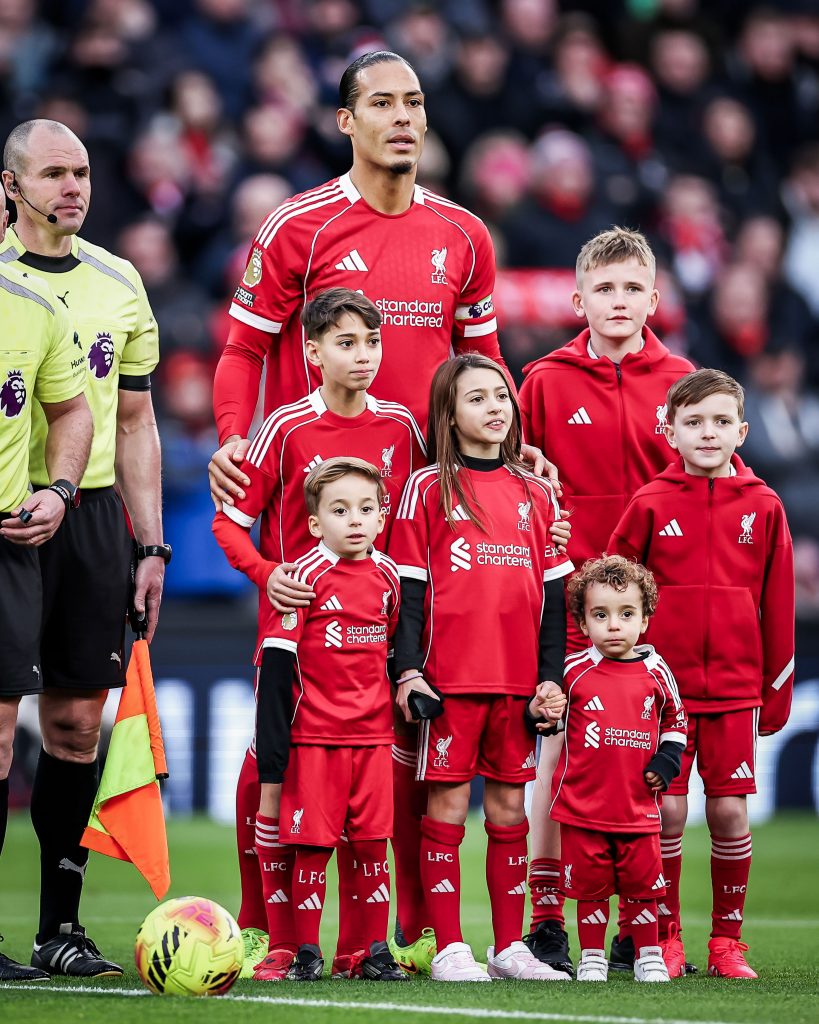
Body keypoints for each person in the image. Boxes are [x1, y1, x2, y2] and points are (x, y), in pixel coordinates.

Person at [208, 49, 560, 976]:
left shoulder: (465, 236)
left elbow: (483, 363)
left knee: (407, 730)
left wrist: (511, 441)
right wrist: (239, 441)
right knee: (286, 723)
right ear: (344, 121)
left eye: (414, 102)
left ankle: (399, 929)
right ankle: (261, 920)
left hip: (428, 512)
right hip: (313, 513)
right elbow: (240, 349)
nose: (403, 117)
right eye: (382, 103)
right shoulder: (301, 225)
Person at [212, 288, 426, 980]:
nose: (361, 357)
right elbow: (228, 522)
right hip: (296, 640)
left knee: (374, 807)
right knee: (265, 779)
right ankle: (265, 931)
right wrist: (267, 573)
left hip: (375, 641)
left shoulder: (401, 428)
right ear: (311, 352)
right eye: (344, 343)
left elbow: (426, 514)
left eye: (371, 343)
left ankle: (368, 944)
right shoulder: (285, 428)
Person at [0, 119, 165, 977]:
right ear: (11, 185)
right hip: (7, 522)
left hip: (92, 518)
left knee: (72, 728)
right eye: (54, 173)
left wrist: (152, 545)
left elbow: (134, 422)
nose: (73, 187)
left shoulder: (119, 282)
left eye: (84, 172)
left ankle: (57, 931)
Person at [517, 227, 693, 974]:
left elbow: (707, 481)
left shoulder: (682, 378)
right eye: (603, 289)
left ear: (653, 300)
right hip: (569, 603)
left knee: (657, 772)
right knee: (555, 764)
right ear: (577, 298)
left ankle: (650, 928)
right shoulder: (544, 381)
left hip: (657, 610)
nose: (617, 302)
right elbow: (516, 482)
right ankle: (549, 921)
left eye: (631, 289)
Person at [389, 353, 572, 983]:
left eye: (502, 396)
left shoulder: (538, 490)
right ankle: (448, 946)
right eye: (477, 398)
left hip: (519, 683)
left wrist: (552, 678)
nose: (496, 407)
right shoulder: (426, 487)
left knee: (508, 810)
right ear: (449, 412)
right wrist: (409, 672)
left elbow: (552, 597)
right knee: (443, 806)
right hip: (449, 682)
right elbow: (410, 591)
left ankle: (507, 945)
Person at [609, 368, 795, 979]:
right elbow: (614, 588)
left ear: (742, 430)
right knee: (663, 815)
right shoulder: (651, 502)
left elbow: (779, 604)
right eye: (693, 422)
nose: (707, 433)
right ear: (669, 431)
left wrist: (776, 690)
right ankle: (665, 937)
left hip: (737, 691)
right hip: (662, 696)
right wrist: (615, 673)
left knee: (729, 814)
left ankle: (726, 942)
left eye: (720, 422)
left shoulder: (764, 505)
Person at [228, 456, 407, 982]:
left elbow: (392, 652)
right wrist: (273, 760)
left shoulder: (388, 577)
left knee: (374, 844)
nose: (355, 519)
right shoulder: (301, 579)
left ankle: (369, 951)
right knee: (312, 846)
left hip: (373, 738)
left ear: (381, 518)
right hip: (315, 740)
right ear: (314, 523)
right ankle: (303, 949)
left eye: (366, 509)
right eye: (340, 509)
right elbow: (277, 676)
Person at [0, 191, 93, 983]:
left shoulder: (32, 310)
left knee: (1, 741)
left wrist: (58, 492)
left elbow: (74, 413)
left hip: (6, 543)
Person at [550, 555, 687, 984]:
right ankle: (591, 955)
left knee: (644, 886)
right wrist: (541, 711)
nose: (614, 625)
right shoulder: (572, 672)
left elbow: (677, 722)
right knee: (589, 889)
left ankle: (648, 952)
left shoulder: (656, 671)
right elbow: (548, 719)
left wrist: (666, 762)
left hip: (637, 809)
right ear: (583, 623)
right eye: (600, 615)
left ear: (644, 620)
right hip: (583, 807)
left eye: (626, 614)